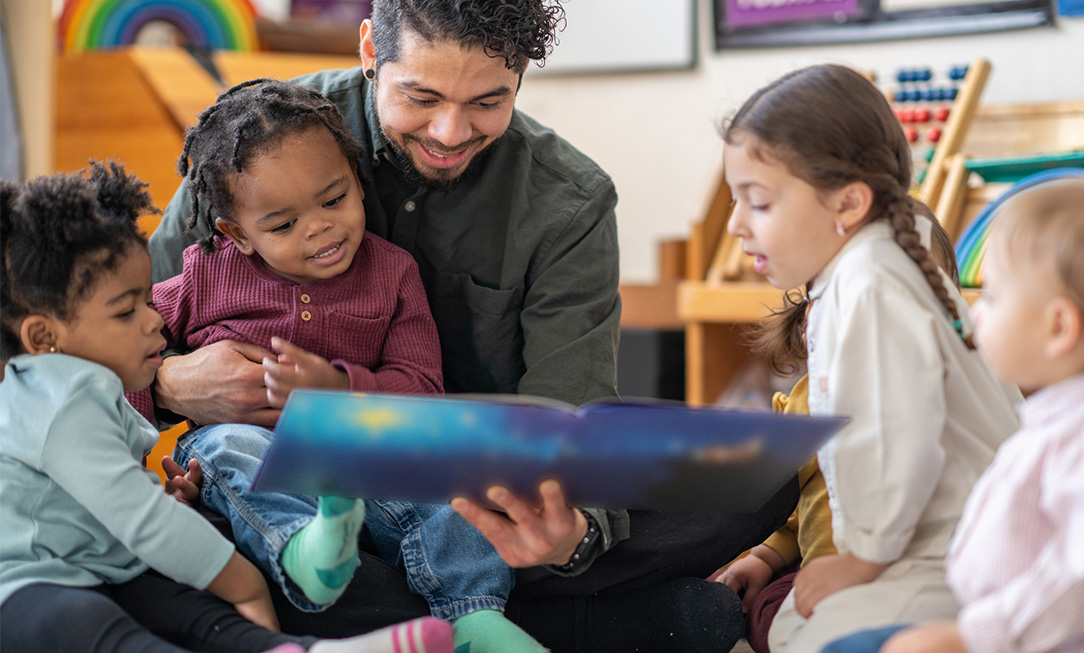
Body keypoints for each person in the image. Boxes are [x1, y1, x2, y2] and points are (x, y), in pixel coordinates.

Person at [148, 2, 797, 651]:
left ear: (519, 77)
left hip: (475, 492)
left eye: (488, 101)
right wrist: (174, 380)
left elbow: (572, 410)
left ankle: (421, 612)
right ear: (370, 50)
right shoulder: (258, 141)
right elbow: (109, 329)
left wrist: (570, 534)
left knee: (749, 472)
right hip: (293, 490)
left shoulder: (569, 199)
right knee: (220, 514)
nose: (450, 131)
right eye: (421, 97)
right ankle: (547, 622)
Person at [132, 77, 550, 652]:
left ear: (356, 179)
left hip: (368, 447)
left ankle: (473, 613)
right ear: (238, 233)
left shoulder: (392, 273)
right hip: (254, 447)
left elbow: (423, 390)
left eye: (334, 200)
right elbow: (123, 357)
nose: (320, 227)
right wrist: (143, 464)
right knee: (231, 449)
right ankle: (309, 552)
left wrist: (337, 387)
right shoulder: (204, 275)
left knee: (446, 480)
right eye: (281, 225)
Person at [0, 161, 453, 653]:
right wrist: (244, 582)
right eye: (128, 311)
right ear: (43, 336)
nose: (155, 322)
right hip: (28, 583)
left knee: (197, 613)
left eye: (149, 302)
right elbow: (142, 523)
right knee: (95, 627)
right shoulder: (63, 399)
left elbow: (100, 501)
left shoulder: (81, 388)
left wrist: (162, 492)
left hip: (103, 564)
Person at [720, 64, 1023, 653]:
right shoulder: (875, 261)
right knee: (790, 621)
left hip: (950, 556)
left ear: (849, 202)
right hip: (949, 546)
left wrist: (860, 561)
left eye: (756, 203)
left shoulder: (871, 284)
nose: (735, 225)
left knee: (803, 633)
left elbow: (892, 440)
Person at [822, 178, 1084, 653]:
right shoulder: (1074, 414)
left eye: (995, 297)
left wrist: (970, 637)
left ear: (1059, 327)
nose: (977, 312)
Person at [714, 213, 965, 653]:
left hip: (925, 575)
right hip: (822, 575)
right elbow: (792, 512)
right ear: (810, 317)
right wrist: (762, 557)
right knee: (766, 607)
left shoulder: (948, 395)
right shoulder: (807, 403)